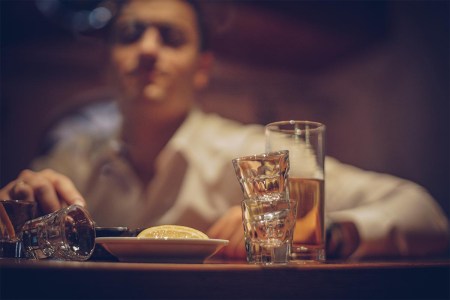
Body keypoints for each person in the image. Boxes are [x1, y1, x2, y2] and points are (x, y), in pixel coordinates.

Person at [0, 0, 448, 260]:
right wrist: (13, 207)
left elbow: (423, 211)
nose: (148, 49)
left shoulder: (263, 154)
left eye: (171, 38)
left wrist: (321, 228)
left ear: (203, 68)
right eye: (131, 35)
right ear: (108, 62)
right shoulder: (68, 158)